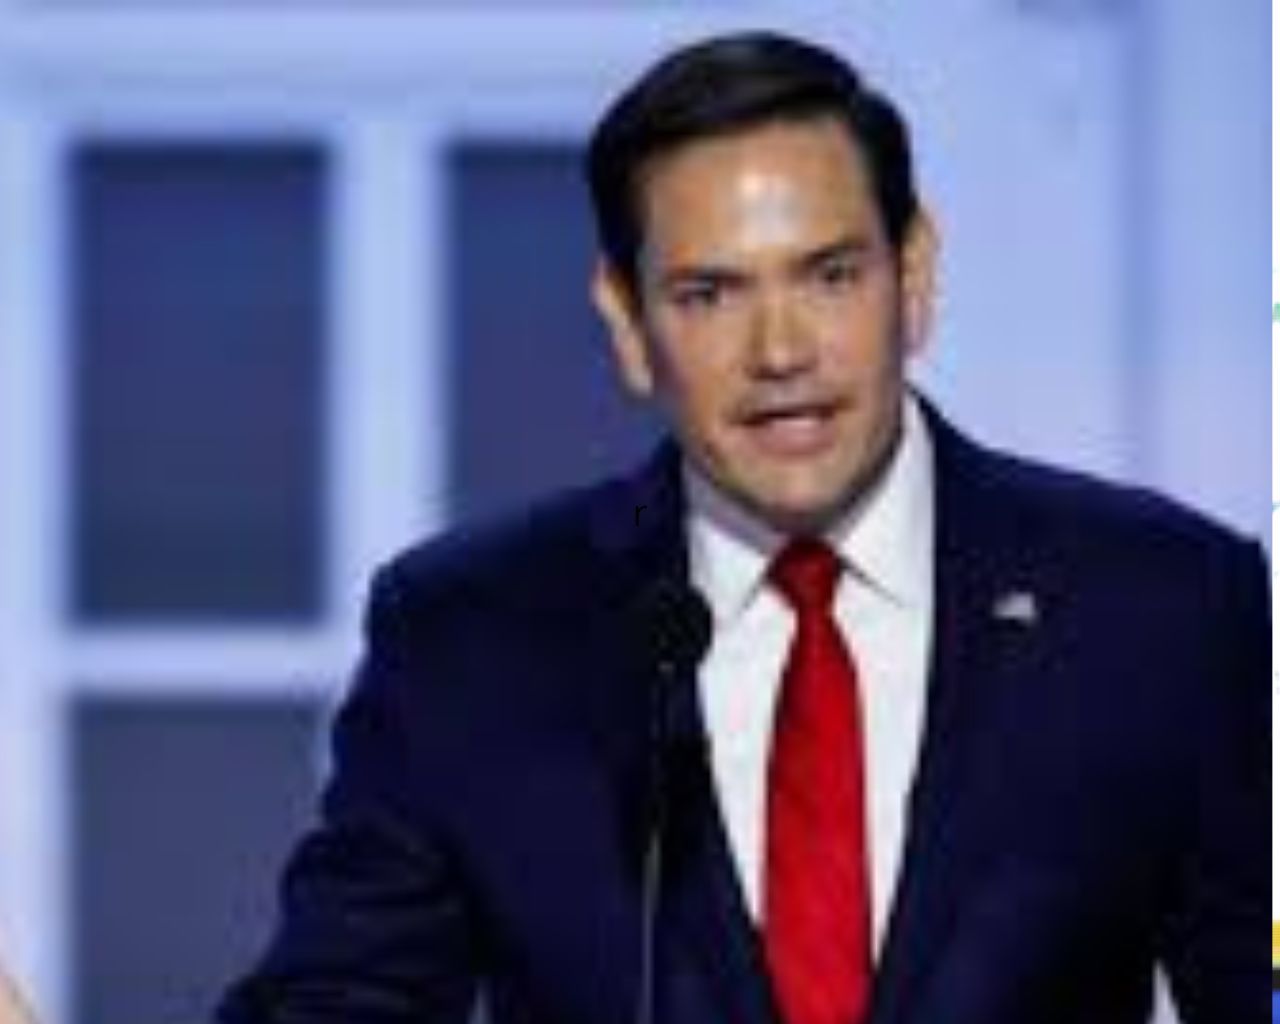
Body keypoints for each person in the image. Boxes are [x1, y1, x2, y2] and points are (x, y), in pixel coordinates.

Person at [216, 30, 1267, 1024]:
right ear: (628, 323)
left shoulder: (1162, 603)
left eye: (830, 275)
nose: (780, 352)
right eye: (709, 294)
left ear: (913, 276)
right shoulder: (472, 635)